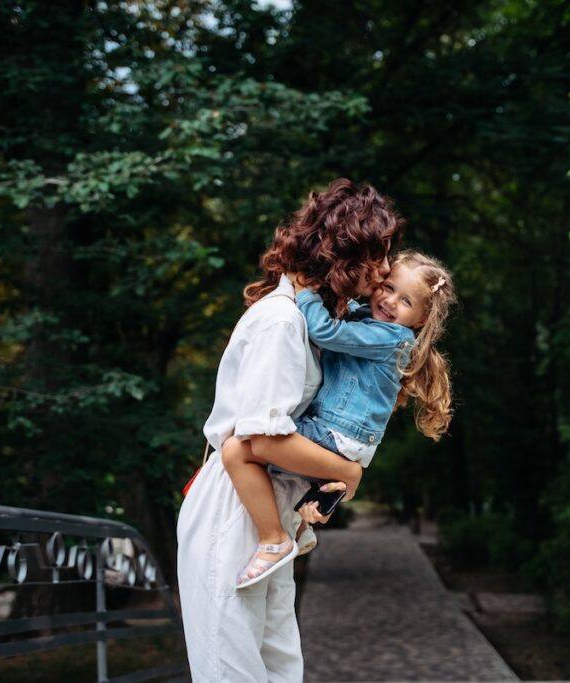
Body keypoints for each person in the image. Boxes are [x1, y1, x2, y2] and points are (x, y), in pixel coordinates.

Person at [176, 178, 403, 682]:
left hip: (269, 510)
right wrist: (349, 471)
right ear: (344, 251)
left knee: (279, 669)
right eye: (378, 253)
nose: (387, 268)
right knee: (231, 671)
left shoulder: (309, 321)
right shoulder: (282, 321)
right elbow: (259, 438)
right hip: (235, 509)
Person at [221, 251, 457, 587]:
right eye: (388, 287)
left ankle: (274, 539)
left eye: (405, 301)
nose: (389, 301)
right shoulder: (370, 320)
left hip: (336, 435)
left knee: (237, 449)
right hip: (336, 433)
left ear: (419, 320)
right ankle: (304, 523)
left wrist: (303, 292)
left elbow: (327, 332)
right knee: (258, 454)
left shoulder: (391, 338)